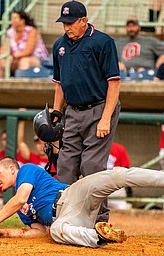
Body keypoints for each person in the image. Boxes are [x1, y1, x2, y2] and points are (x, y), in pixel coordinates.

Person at [0, 156, 164, 248]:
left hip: (73, 195)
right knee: (55, 232)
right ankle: (100, 236)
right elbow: (38, 233)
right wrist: (0, 232)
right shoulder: (20, 210)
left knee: (116, 175)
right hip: (71, 219)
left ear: (12, 169)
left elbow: (21, 198)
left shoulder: (26, 170)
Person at [52, 0, 121, 223]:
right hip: (73, 110)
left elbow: (114, 83)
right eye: (64, 23)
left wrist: (106, 119)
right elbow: (59, 83)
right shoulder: (59, 45)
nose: (67, 28)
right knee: (65, 166)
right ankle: (66, 216)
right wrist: (56, 112)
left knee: (91, 166)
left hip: (100, 108)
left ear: (83, 21)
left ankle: (99, 220)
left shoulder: (102, 42)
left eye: (71, 23)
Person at [0, 10, 50, 78]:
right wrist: (4, 58)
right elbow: (4, 49)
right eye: (12, 18)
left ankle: (20, 86)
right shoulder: (10, 32)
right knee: (1, 63)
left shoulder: (31, 31)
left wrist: (13, 56)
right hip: (16, 59)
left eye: (15, 18)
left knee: (23, 61)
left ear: (22, 20)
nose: (12, 21)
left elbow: (28, 51)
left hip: (38, 60)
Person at [107, 143, 131, 210]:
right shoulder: (93, 148)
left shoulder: (118, 148)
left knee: (123, 209)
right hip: (100, 187)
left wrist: (128, 189)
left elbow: (125, 169)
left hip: (116, 188)